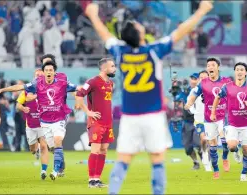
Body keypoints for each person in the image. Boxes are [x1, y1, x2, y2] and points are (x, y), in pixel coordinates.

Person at [84, 1, 213, 194]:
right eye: (137, 25)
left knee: (123, 161)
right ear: (140, 34)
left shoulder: (121, 53)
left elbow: (105, 35)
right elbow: (182, 30)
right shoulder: (154, 51)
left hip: (129, 118)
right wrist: (202, 10)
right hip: (153, 116)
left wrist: (93, 15)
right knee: (157, 161)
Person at [0, 61, 79, 181]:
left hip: (58, 119)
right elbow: (19, 87)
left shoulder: (62, 83)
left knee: (57, 141)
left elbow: (78, 88)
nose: (49, 72)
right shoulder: (37, 84)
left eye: (51, 70)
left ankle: (55, 171)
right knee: (49, 147)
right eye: (47, 70)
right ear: (43, 73)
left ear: (54, 72)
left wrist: (90, 90)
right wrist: (3, 90)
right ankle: (50, 161)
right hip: (43, 122)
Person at [185, 58, 240, 179]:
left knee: (225, 140)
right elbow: (194, 95)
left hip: (223, 115)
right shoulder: (203, 83)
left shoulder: (226, 81)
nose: (210, 67)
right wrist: (189, 103)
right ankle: (215, 169)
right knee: (213, 145)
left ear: (218, 67)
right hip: (209, 118)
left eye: (213, 65)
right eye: (208, 65)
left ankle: (225, 158)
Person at [210, 62, 247, 181]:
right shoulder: (227, 86)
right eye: (237, 69)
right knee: (232, 146)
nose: (239, 71)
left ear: (246, 73)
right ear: (235, 72)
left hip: (246, 124)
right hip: (231, 123)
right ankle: (235, 151)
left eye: (242, 70)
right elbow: (217, 97)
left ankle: (243, 174)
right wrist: (213, 112)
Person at [75, 58, 116, 188]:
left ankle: (97, 179)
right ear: (104, 68)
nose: (115, 69)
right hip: (96, 122)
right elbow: (79, 94)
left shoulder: (110, 83)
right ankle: (91, 180)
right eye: (112, 66)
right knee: (96, 150)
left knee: (104, 150)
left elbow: (106, 101)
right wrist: (88, 112)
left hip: (108, 122)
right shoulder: (92, 81)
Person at [16, 69, 50, 180]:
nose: (38, 77)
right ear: (33, 78)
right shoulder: (26, 91)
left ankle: (43, 170)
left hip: (43, 124)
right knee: (32, 149)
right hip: (30, 125)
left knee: (44, 146)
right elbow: (18, 105)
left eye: (41, 76)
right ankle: (35, 152)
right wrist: (23, 107)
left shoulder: (47, 90)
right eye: (37, 76)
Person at [175, 73, 202, 170]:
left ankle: (203, 155)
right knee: (187, 147)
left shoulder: (198, 91)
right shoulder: (182, 92)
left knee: (198, 143)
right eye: (191, 79)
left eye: (194, 79)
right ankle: (196, 162)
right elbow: (178, 104)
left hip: (197, 120)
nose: (192, 81)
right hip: (186, 122)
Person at [188, 70, 212, 171]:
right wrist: (194, 111)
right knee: (203, 138)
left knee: (211, 142)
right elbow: (190, 102)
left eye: (205, 77)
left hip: (211, 120)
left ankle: (208, 159)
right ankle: (204, 152)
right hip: (199, 120)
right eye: (201, 78)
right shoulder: (196, 90)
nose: (203, 79)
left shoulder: (213, 89)